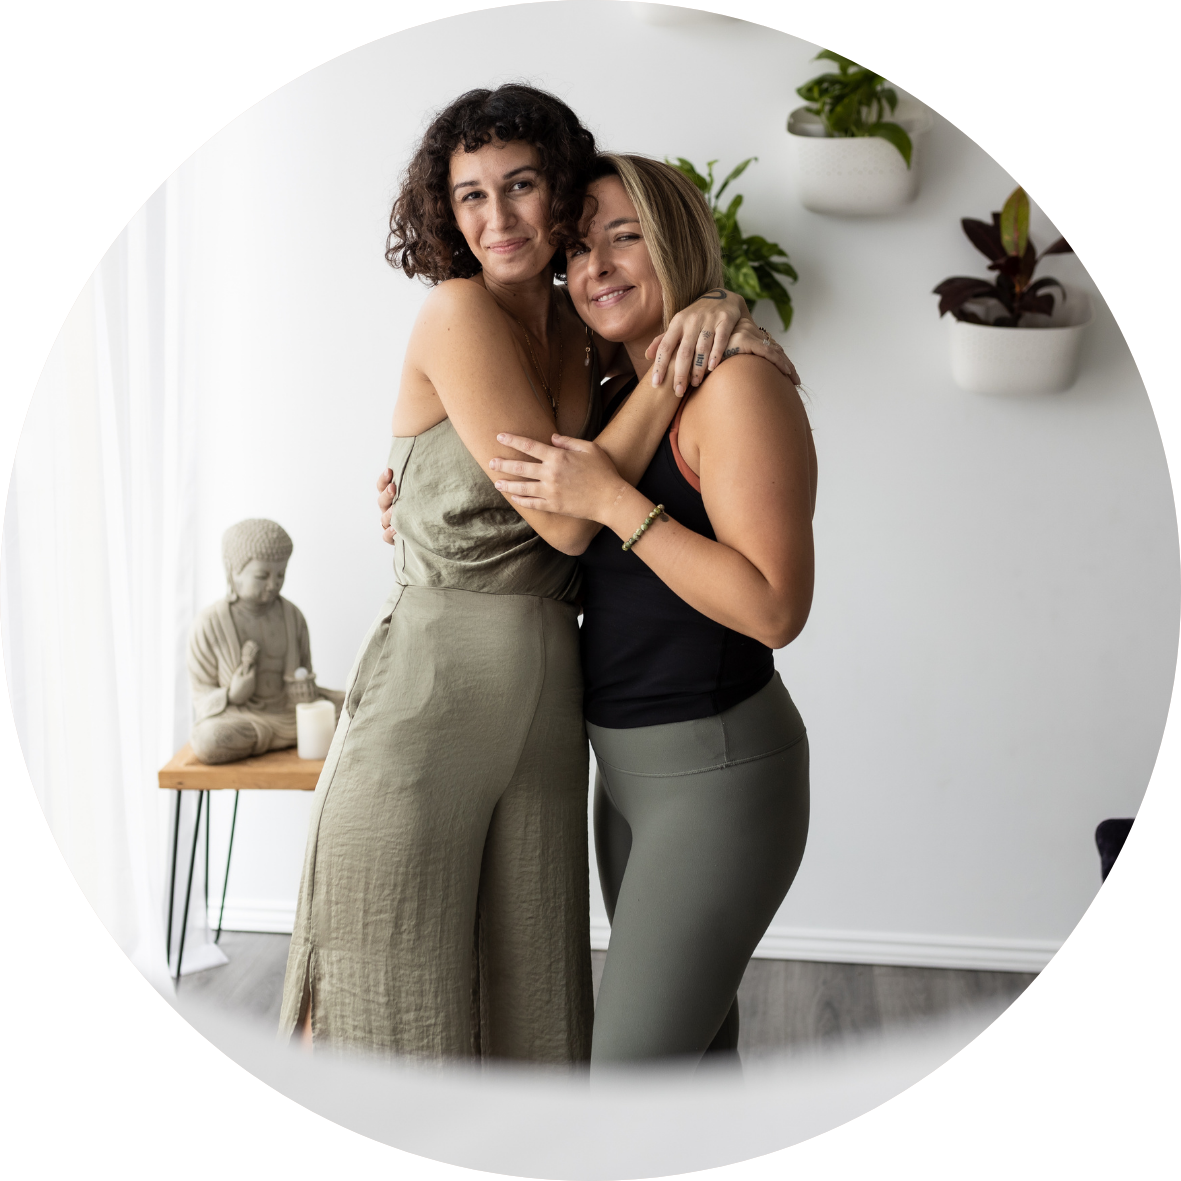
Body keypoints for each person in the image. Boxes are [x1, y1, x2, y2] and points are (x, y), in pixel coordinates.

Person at [279, 85, 792, 1062]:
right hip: (432, 686)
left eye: (518, 185)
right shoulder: (457, 310)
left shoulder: (583, 327)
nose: (497, 217)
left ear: (558, 191)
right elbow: (563, 518)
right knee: (372, 971)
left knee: (528, 998)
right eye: (469, 195)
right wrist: (678, 360)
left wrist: (714, 307)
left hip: (554, 698)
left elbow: (636, 463)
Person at [486, 154, 816, 1067]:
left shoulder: (735, 387)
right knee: (691, 1072)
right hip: (624, 771)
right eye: (575, 247)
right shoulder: (616, 395)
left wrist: (615, 502)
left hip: (715, 774)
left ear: (675, 240)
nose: (594, 265)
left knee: (631, 1087)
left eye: (623, 236)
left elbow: (775, 607)